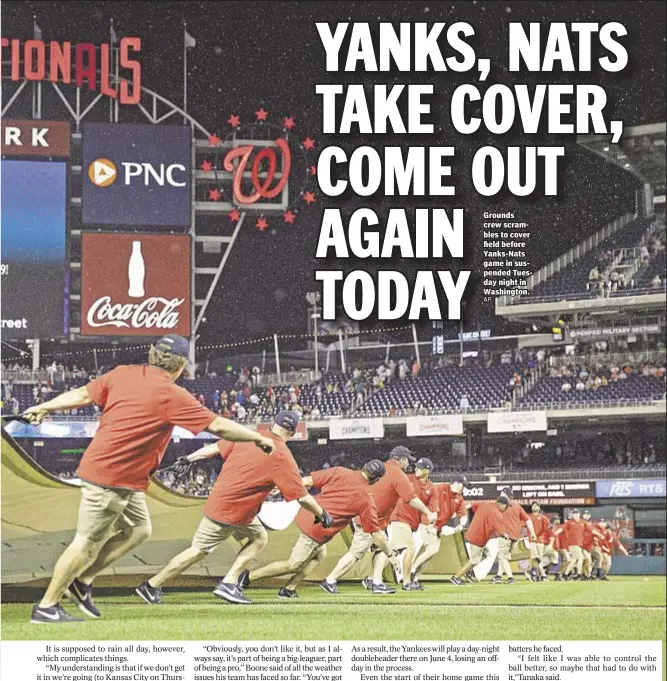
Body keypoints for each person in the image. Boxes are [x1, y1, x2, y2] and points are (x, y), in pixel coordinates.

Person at [23, 335, 277, 624]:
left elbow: (81, 394)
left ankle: (83, 581)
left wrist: (46, 406)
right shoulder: (172, 394)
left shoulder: (123, 374)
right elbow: (219, 426)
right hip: (112, 478)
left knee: (139, 530)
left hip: (122, 479)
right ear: (181, 365)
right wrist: (258, 437)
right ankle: (47, 606)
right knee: (85, 543)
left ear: (152, 353)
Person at [136, 411, 330, 606]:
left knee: (259, 537)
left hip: (232, 509)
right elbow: (303, 498)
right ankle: (152, 585)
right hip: (229, 512)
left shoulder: (249, 437)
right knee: (197, 551)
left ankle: (229, 582)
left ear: (273, 424)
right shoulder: (283, 456)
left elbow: (214, 448)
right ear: (293, 433)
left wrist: (189, 458)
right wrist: (322, 514)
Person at [242, 460, 400, 599]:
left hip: (307, 515)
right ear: (377, 480)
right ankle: (246, 578)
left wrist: (283, 486)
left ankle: (289, 589)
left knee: (320, 555)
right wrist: (390, 554)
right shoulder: (366, 498)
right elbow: (376, 534)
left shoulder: (340, 471)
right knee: (293, 564)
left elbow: (308, 481)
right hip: (316, 530)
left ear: (364, 467)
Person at [321, 446, 436, 595]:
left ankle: (376, 581)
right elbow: (411, 499)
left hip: (372, 519)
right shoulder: (397, 474)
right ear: (400, 459)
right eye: (407, 460)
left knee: (383, 549)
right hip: (370, 520)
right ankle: (330, 580)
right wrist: (429, 513)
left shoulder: (381, 469)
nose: (409, 464)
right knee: (356, 553)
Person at [386, 458, 439, 591]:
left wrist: (432, 523)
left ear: (427, 471)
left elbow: (434, 510)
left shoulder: (432, 488)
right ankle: (407, 582)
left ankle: (372, 578)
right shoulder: (408, 479)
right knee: (410, 548)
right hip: (399, 517)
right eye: (416, 467)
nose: (415, 469)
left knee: (391, 550)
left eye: (419, 468)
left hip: (411, 523)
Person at [410, 474, 468, 586]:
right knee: (433, 549)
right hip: (427, 522)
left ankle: (415, 579)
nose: (463, 488)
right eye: (462, 485)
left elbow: (463, 515)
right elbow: (426, 500)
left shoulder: (459, 498)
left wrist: (461, 525)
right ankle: (412, 569)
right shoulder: (440, 488)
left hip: (438, 528)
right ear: (455, 483)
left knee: (431, 553)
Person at [450, 495, 511, 586]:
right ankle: (456, 577)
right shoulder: (496, 513)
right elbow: (501, 531)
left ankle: (468, 571)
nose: (506, 508)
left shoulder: (484, 504)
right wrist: (505, 536)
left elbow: (472, 505)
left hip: (473, 534)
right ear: (502, 504)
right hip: (478, 538)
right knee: (474, 561)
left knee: (486, 554)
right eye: (506, 506)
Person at [491, 489, 536, 585]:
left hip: (505, 536)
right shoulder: (517, 506)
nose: (500, 495)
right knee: (504, 557)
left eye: (502, 493)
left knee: (502, 557)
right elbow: (528, 520)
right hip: (515, 538)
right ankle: (498, 576)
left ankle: (510, 577)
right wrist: (532, 532)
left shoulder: (501, 506)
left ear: (506, 495)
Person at [527, 502, 551, 581]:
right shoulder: (528, 517)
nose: (534, 507)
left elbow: (547, 529)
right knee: (535, 557)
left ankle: (534, 573)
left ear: (539, 508)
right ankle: (542, 575)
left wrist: (543, 538)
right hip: (532, 540)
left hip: (540, 541)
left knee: (539, 559)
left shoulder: (543, 517)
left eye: (536, 505)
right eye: (533, 505)